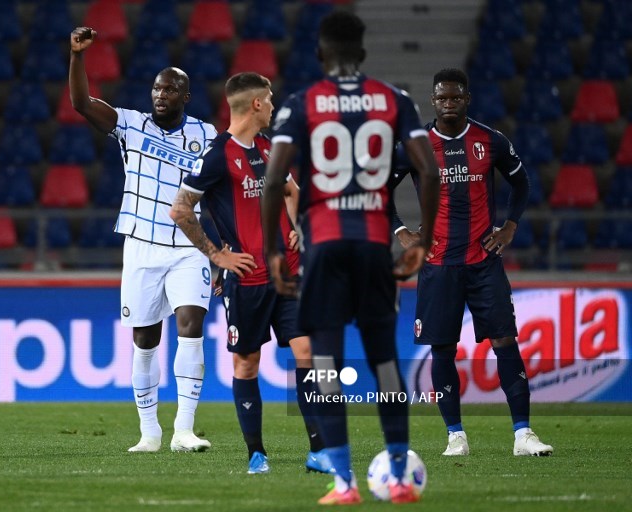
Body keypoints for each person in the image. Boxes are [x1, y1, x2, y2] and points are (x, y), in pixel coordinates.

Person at [261, 11, 440, 505]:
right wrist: (421, 242)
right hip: (373, 244)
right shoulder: (395, 101)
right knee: (385, 361)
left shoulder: (301, 104)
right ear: (362, 54)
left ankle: (344, 484)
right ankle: (400, 478)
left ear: (320, 54)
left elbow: (274, 180)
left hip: (324, 246)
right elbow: (428, 172)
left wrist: (275, 249)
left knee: (323, 364)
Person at [170, 72, 333, 475]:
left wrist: (293, 228)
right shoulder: (216, 155)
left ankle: (318, 451)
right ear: (256, 104)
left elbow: (292, 193)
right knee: (247, 364)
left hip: (288, 274)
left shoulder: (268, 148)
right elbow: (180, 210)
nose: (275, 107)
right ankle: (256, 454)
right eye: (271, 100)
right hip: (248, 282)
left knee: (308, 354)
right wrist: (216, 255)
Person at [391, 68, 553, 458]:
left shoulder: (490, 141)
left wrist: (510, 226)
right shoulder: (416, 145)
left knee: (505, 342)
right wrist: (401, 233)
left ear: (467, 98)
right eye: (442, 97)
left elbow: (522, 182)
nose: (449, 103)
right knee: (442, 349)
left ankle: (523, 434)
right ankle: (455, 437)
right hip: (439, 263)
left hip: (484, 261)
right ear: (433, 101)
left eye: (455, 97)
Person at [69, 27, 217, 453]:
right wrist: (77, 57)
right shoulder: (131, 126)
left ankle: (184, 430)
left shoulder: (207, 137)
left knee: (191, 327)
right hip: (140, 246)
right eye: (156, 88)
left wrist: (218, 252)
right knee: (145, 341)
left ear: (184, 96)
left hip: (189, 247)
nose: (161, 95)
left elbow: (219, 195)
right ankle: (149, 432)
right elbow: (81, 104)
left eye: (170, 89)